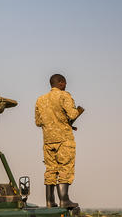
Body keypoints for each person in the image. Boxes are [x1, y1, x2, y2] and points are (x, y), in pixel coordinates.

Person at [34, 73, 85, 208]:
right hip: (64, 139)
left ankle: (50, 202)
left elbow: (38, 122)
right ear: (61, 83)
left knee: (50, 169)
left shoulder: (40, 100)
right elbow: (73, 114)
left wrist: (55, 123)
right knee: (65, 167)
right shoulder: (64, 95)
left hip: (48, 140)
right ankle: (64, 200)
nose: (66, 85)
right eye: (65, 83)